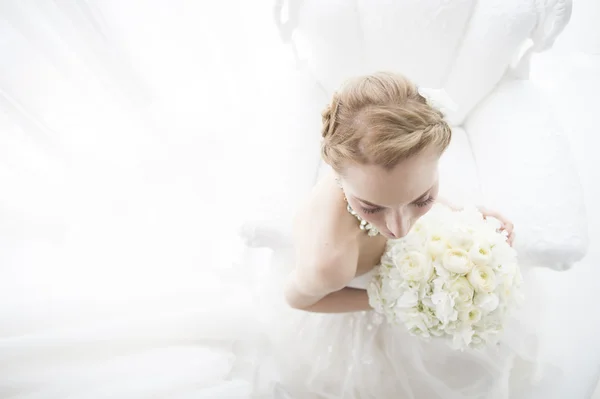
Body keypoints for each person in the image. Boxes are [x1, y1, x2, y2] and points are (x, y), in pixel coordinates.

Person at [258, 72, 541, 398]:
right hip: (356, 312)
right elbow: (296, 299)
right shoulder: (329, 263)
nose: (400, 228)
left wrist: (466, 218)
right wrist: (392, 298)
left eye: (422, 198)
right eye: (372, 208)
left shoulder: (381, 161)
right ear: (337, 173)